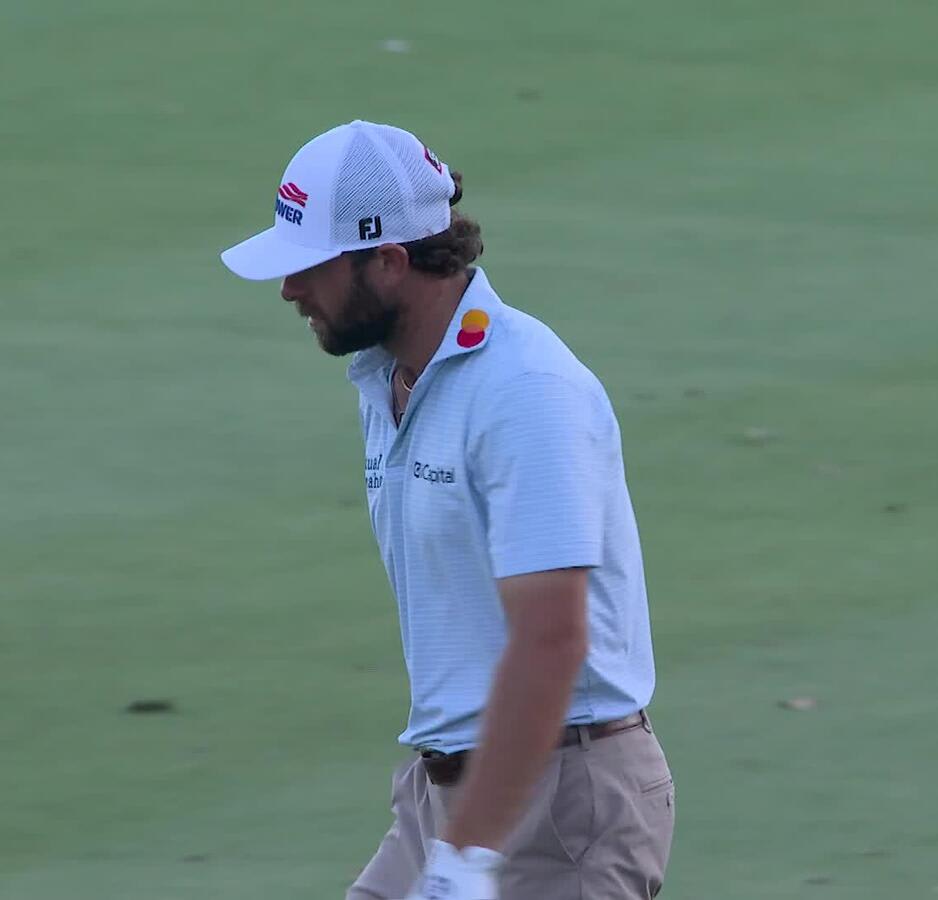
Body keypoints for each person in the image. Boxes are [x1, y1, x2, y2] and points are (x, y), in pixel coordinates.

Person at [220, 120, 674, 899]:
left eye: (311, 268)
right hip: (444, 794)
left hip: (560, 805)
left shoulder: (525, 393)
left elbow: (552, 638)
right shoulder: (388, 378)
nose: (290, 290)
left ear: (389, 262)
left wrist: (468, 857)